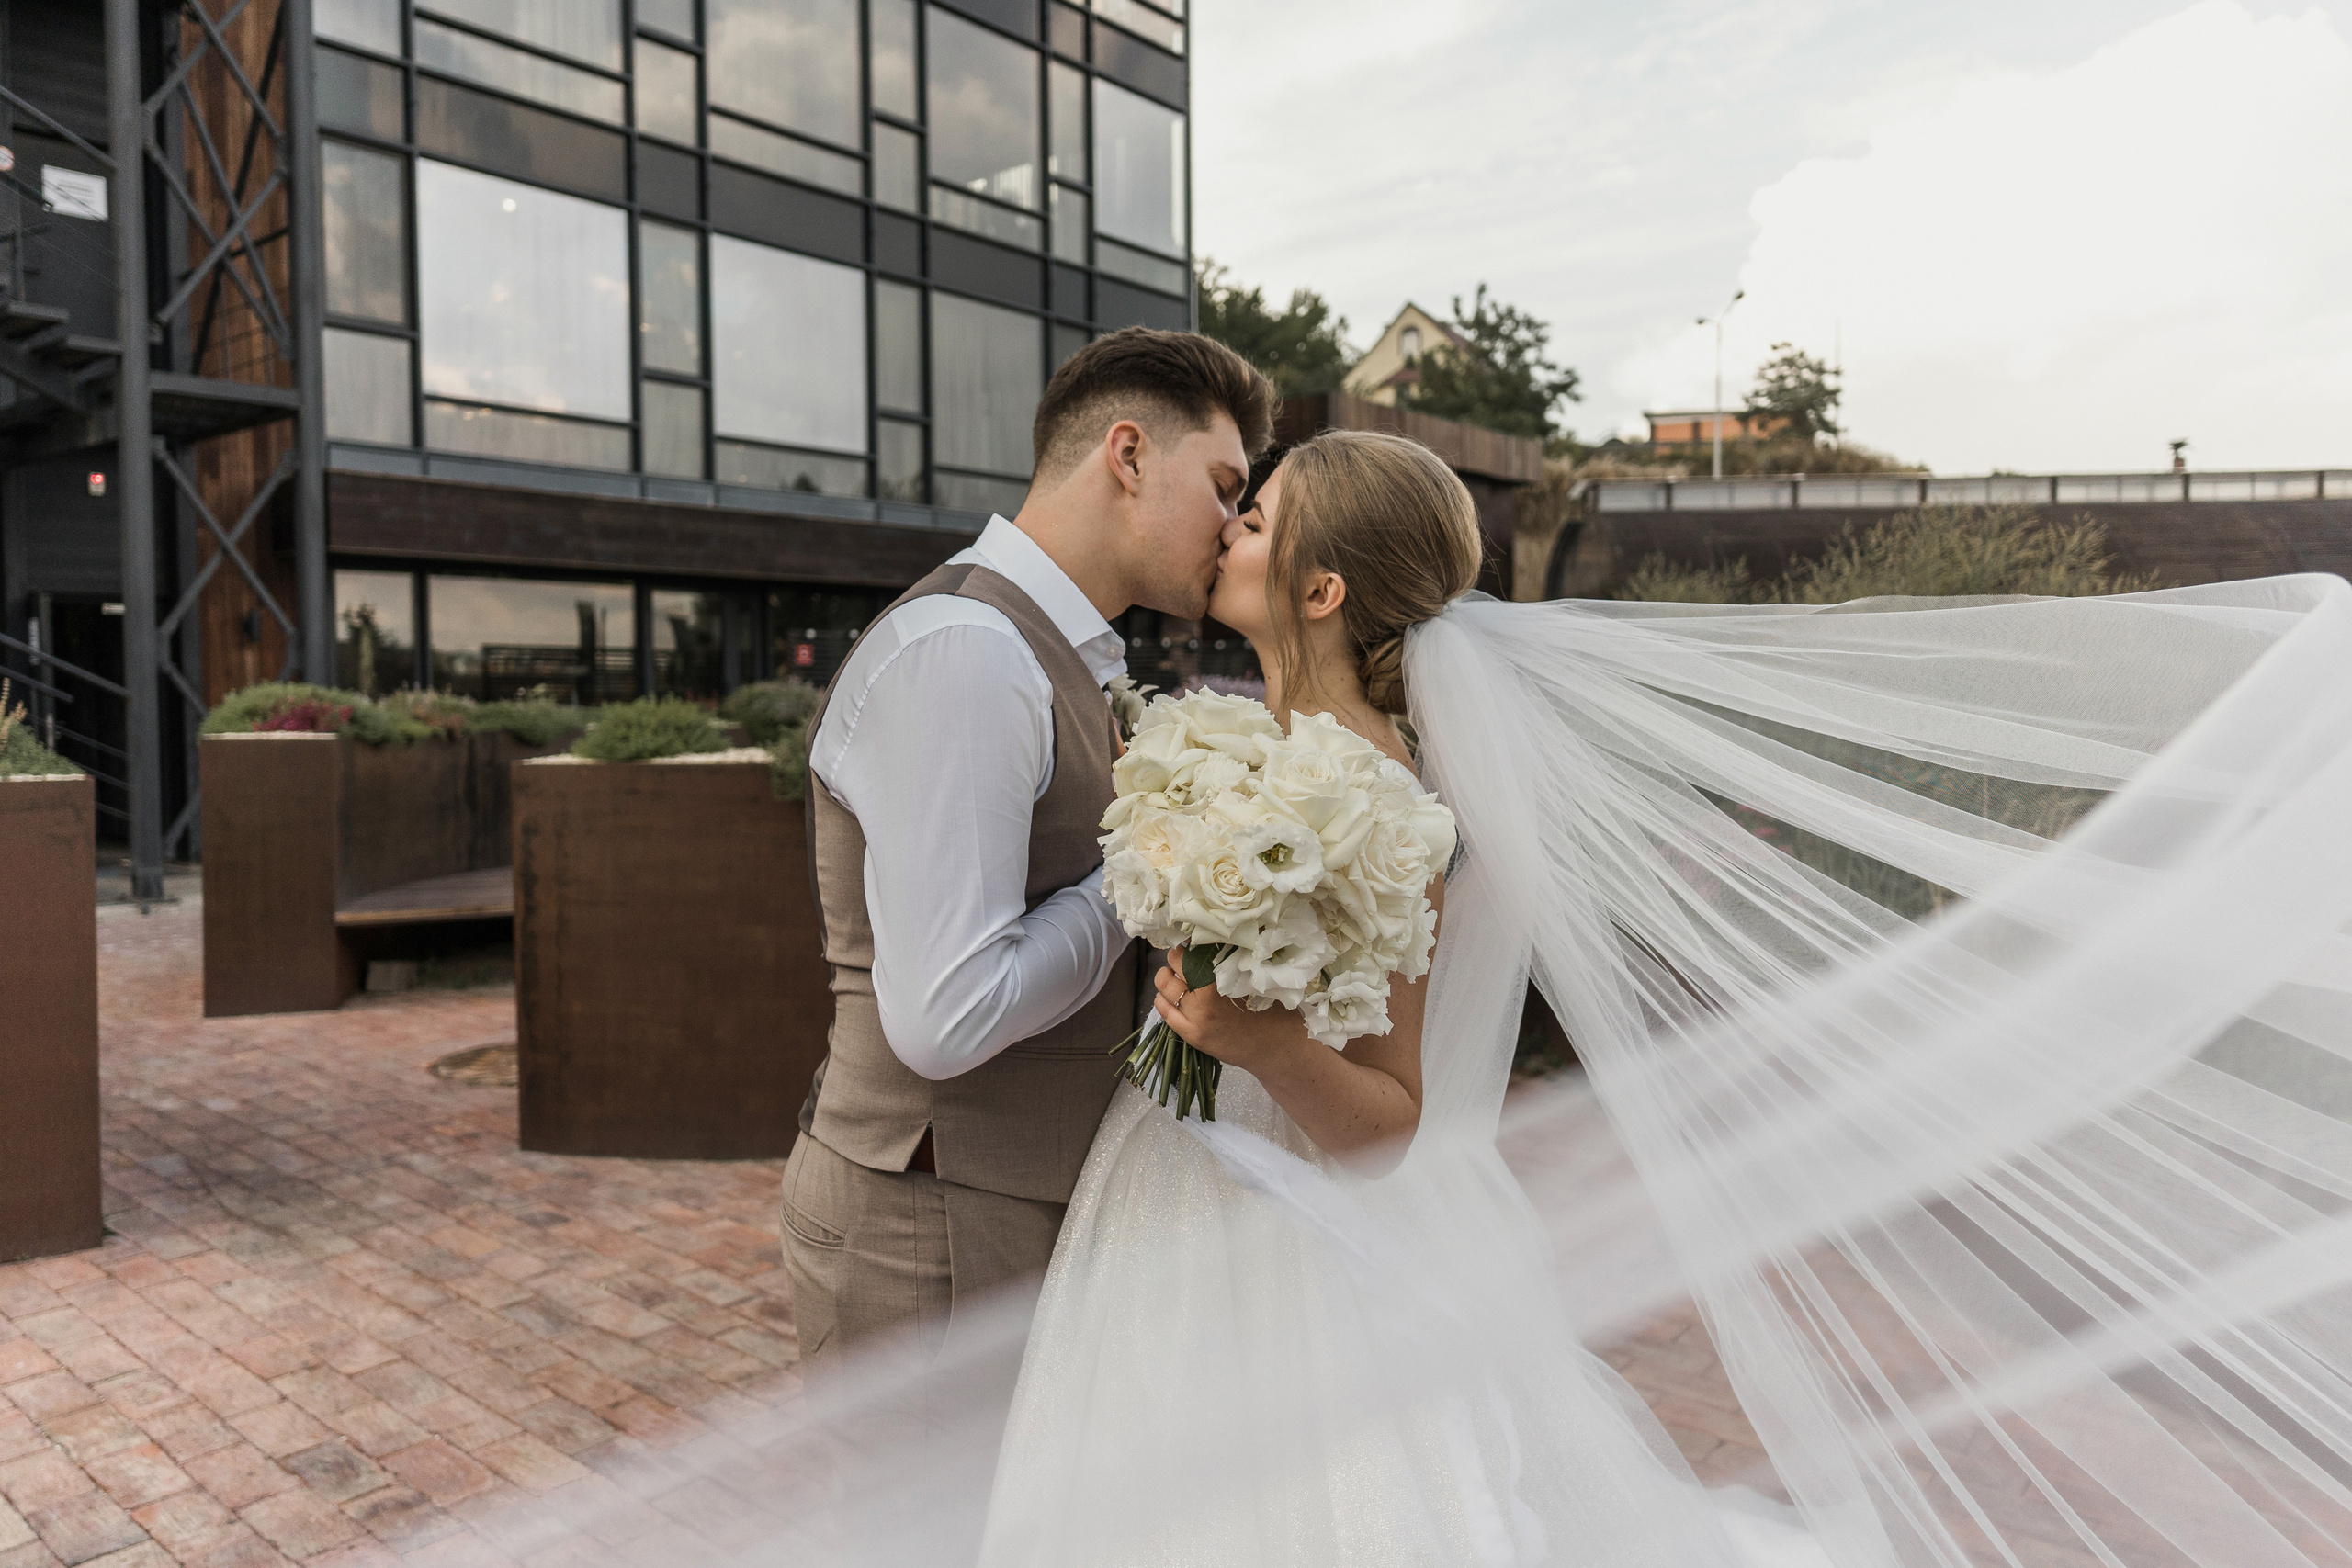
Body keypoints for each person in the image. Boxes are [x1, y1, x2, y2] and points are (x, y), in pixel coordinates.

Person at [970, 426, 2352, 1567]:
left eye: (1258, 521)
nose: (1229, 532)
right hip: (1175, 1197)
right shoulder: (1240, 743)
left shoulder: (1372, 798)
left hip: (1298, 1253)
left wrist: (1252, 1039)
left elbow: (1389, 1123)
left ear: (1323, 590)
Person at [779, 327, 1273, 1532]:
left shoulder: (1062, 655)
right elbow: (948, 1018)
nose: (1230, 524)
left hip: (1003, 1207)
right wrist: (1145, 869)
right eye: (1222, 487)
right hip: (931, 1220)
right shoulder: (968, 653)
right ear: (1125, 454)